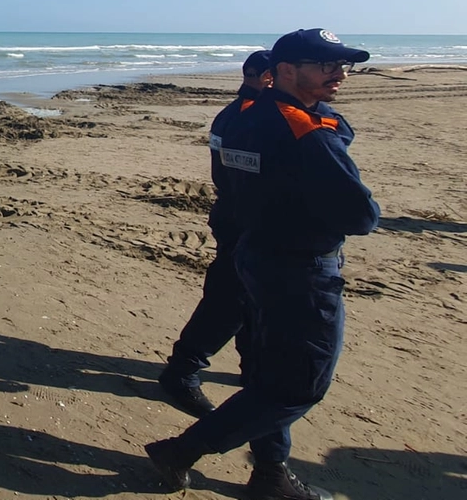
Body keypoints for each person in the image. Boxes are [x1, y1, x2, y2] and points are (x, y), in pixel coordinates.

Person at [146, 29, 380, 500]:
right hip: (299, 269)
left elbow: (233, 176)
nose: (340, 73)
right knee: (298, 387)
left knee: (265, 372)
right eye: (326, 65)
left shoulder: (244, 118)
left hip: (254, 254)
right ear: (287, 71)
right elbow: (361, 216)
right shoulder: (306, 133)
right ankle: (183, 450)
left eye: (343, 65)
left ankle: (270, 472)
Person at [157, 50, 272, 417]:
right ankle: (183, 372)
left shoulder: (248, 114)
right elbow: (236, 174)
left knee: (252, 301)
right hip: (243, 221)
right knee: (230, 299)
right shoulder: (246, 116)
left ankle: (253, 367)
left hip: (244, 218)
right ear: (260, 76)